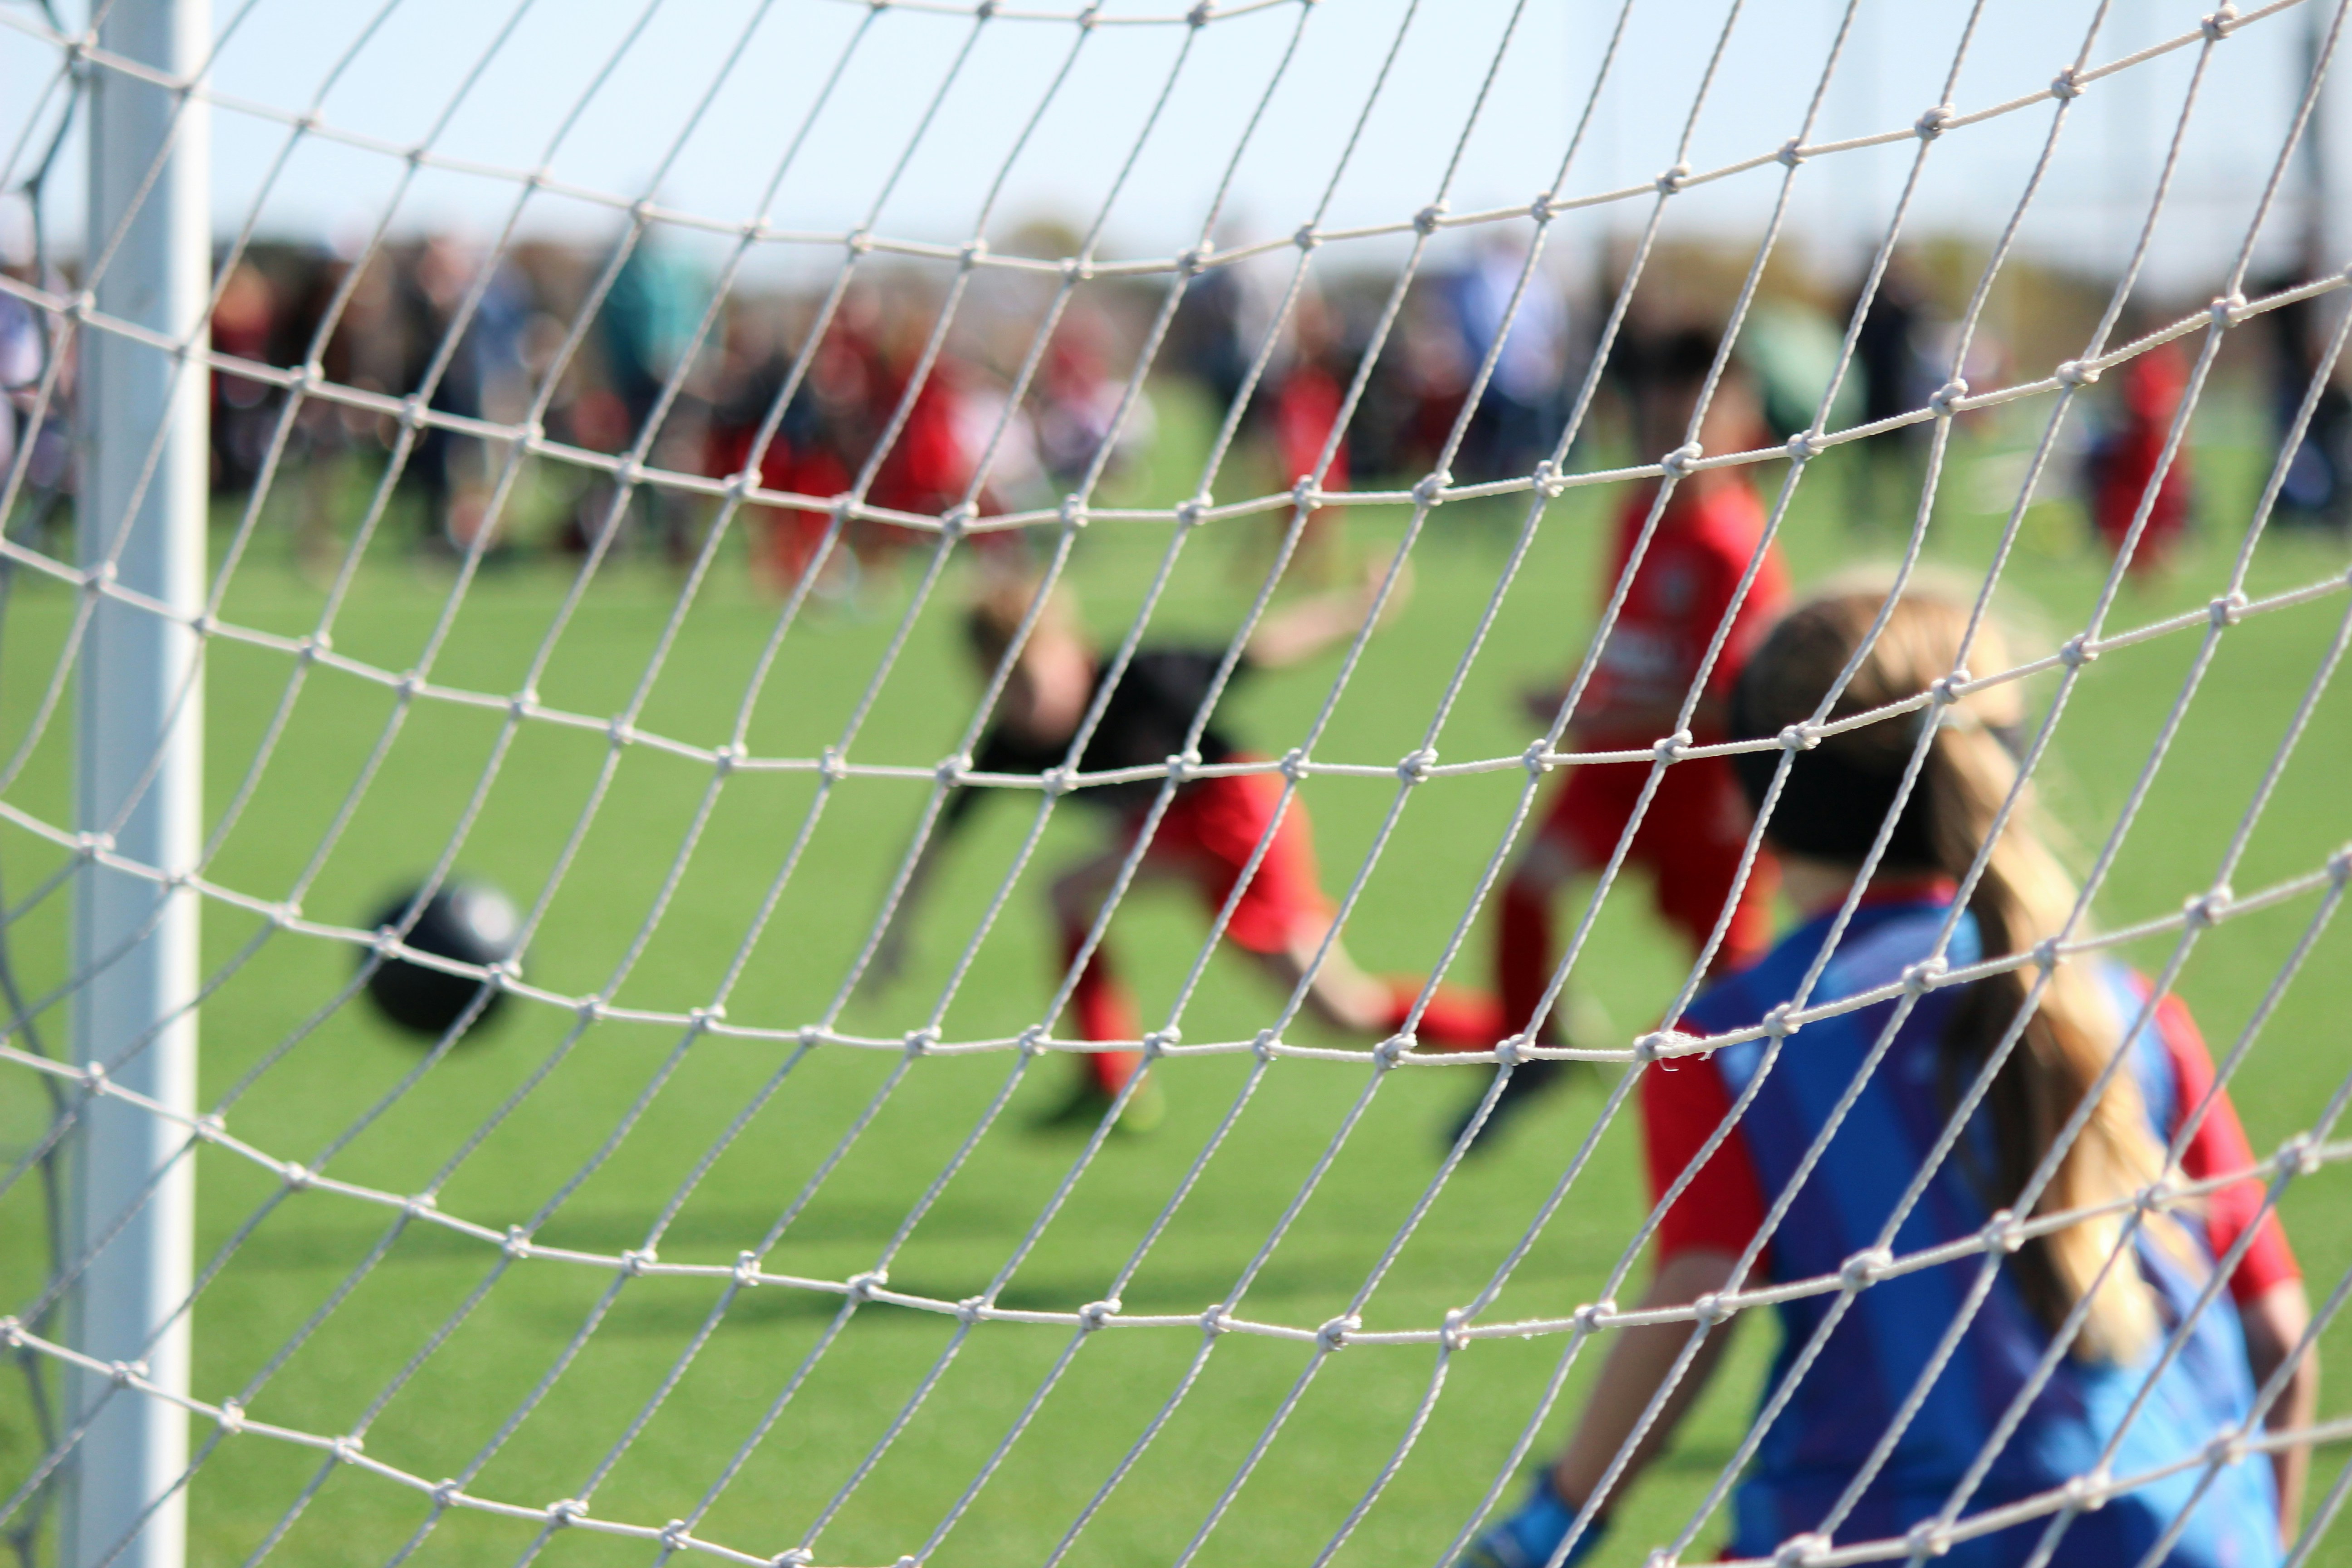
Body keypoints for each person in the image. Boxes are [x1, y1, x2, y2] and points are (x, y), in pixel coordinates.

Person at [1461, 585, 2314, 1568]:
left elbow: (1697, 1304)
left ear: (1744, 797)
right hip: (2176, 1534)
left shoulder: (1733, 1037)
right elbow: (2279, 1339)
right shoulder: (2120, 1007)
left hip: (1882, 1535)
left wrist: (1559, 1517)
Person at [865, 566, 1505, 1131]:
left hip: (1240, 813)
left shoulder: (1144, 678)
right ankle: (1514, 1039)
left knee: (1070, 891)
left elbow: (1263, 650)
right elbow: (934, 841)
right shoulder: (1009, 745)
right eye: (1004, 690)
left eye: (1033, 679)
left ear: (1072, 651)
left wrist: (1356, 611)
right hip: (1175, 836)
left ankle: (1110, 1082)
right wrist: (896, 934)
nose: (1025, 705)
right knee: (1341, 1011)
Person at [1460, 327, 1789, 1150]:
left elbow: (1731, 705)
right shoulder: (1636, 513)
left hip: (1707, 794)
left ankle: (1772, 1130)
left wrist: (1600, 717)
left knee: (1731, 995)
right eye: (1653, 429)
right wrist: (1578, 689)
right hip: (1614, 771)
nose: (1667, 447)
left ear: (1738, 431)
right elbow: (1622, 640)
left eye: (1689, 430)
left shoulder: (1732, 548)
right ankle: (1537, 1051)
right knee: (1525, 890)